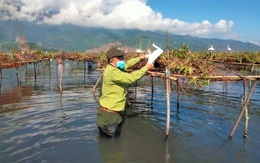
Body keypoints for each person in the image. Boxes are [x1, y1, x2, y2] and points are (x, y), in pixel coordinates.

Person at [97, 47, 154, 137]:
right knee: (112, 146)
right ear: (111, 61)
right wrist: (146, 68)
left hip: (112, 114)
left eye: (122, 57)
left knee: (111, 143)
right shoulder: (112, 72)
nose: (122, 60)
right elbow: (129, 78)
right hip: (110, 117)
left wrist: (139, 58)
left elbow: (127, 64)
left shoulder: (115, 67)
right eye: (119, 58)